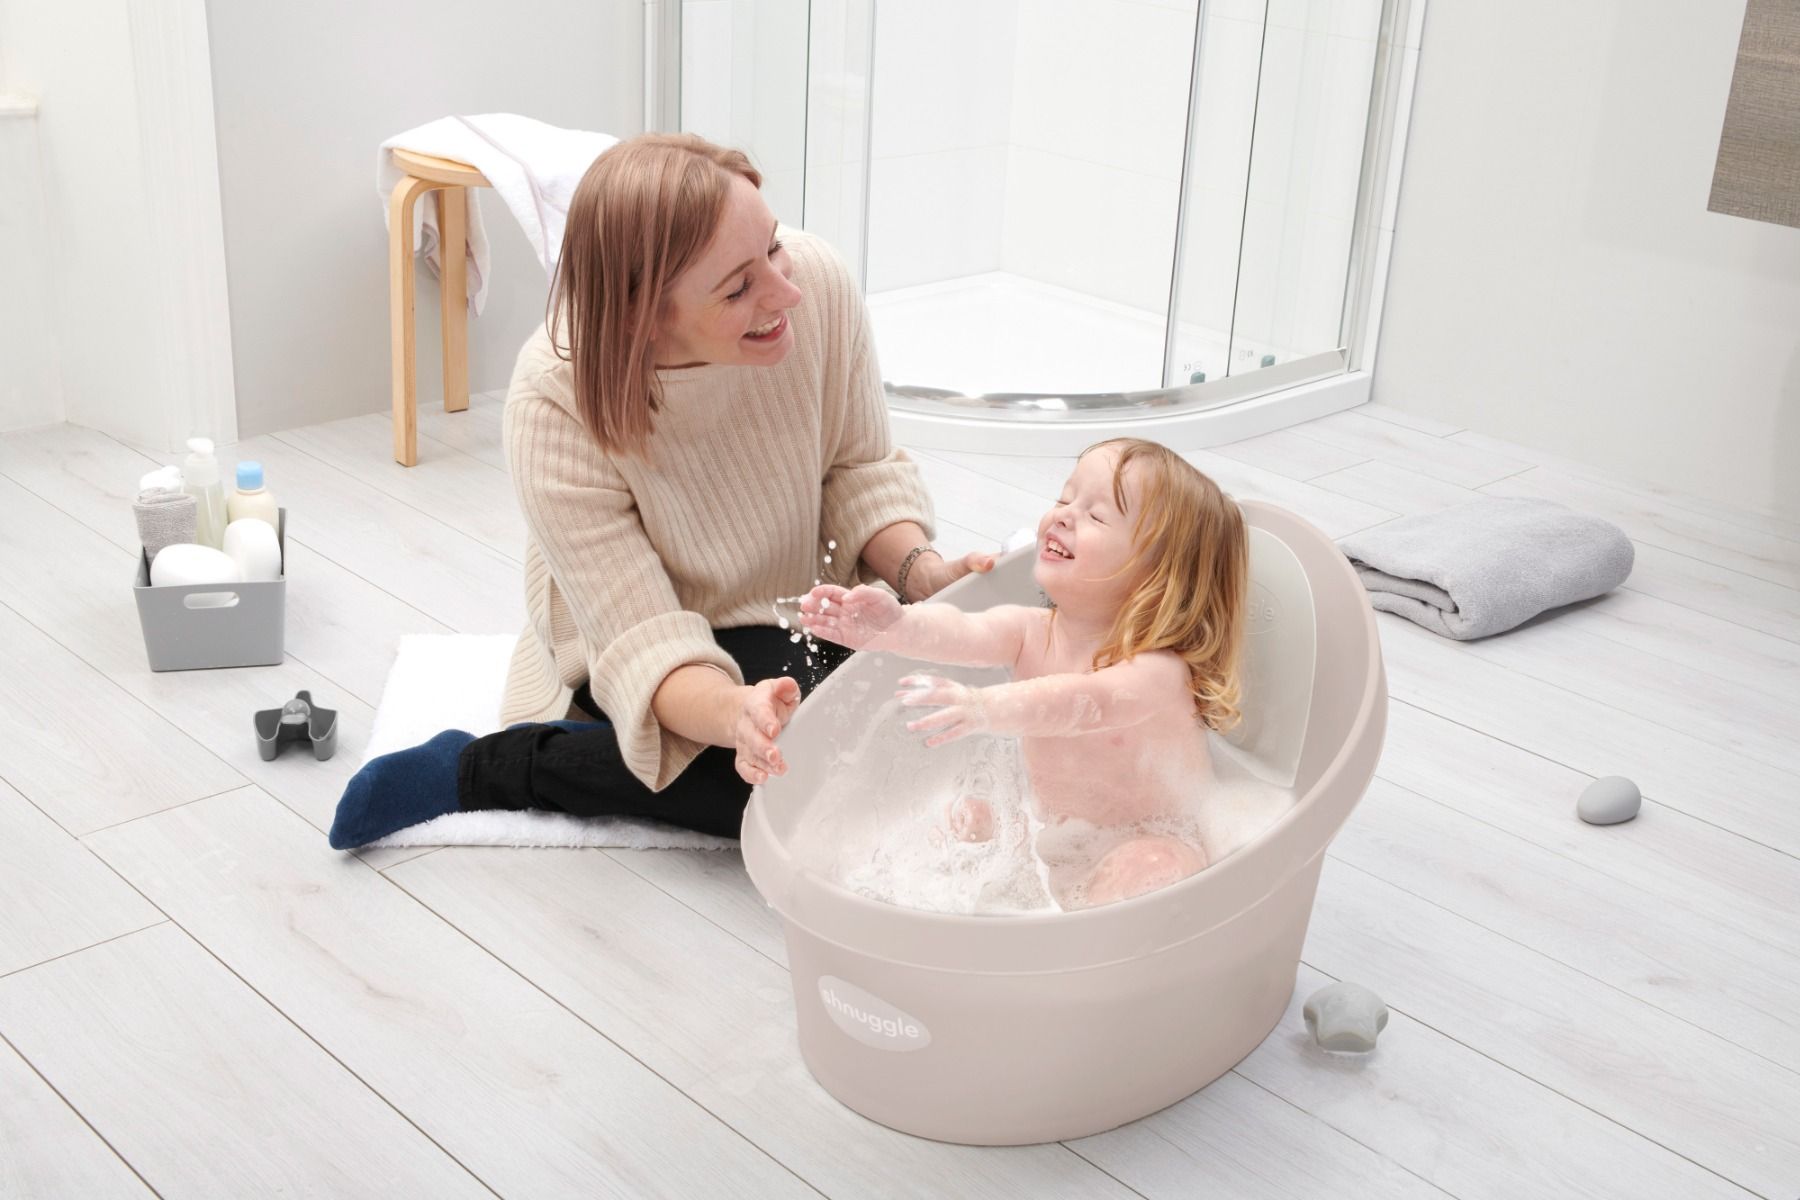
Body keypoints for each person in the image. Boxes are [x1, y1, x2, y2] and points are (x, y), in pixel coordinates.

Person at [328, 133, 992, 850]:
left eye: (773, 247)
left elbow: (856, 471)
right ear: (644, 316)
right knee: (806, 784)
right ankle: (497, 767)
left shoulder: (820, 285)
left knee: (944, 726)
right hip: (646, 639)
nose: (787, 292)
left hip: (797, 610)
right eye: (738, 289)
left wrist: (923, 575)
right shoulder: (555, 400)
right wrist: (736, 715)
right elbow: (642, 637)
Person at [798, 438, 1248, 907]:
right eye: (1064, 498)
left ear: (1157, 576)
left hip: (1152, 838)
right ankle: (903, 905)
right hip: (1053, 833)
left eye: (1097, 517)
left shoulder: (1158, 672)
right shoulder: (1032, 630)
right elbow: (963, 630)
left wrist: (984, 706)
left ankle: (1078, 937)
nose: (1064, 516)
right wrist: (896, 627)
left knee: (1154, 866)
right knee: (968, 816)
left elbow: (1083, 702)